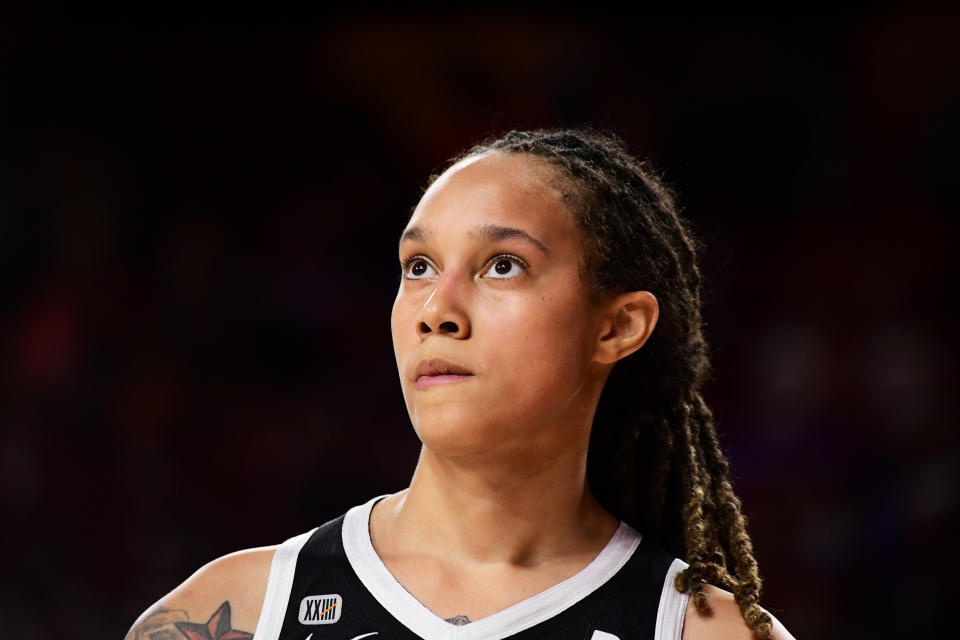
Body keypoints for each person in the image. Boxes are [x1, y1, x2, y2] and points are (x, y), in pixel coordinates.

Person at [126, 128, 795, 640]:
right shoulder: (234, 614)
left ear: (617, 327)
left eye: (502, 265)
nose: (436, 309)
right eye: (418, 266)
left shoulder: (706, 631)